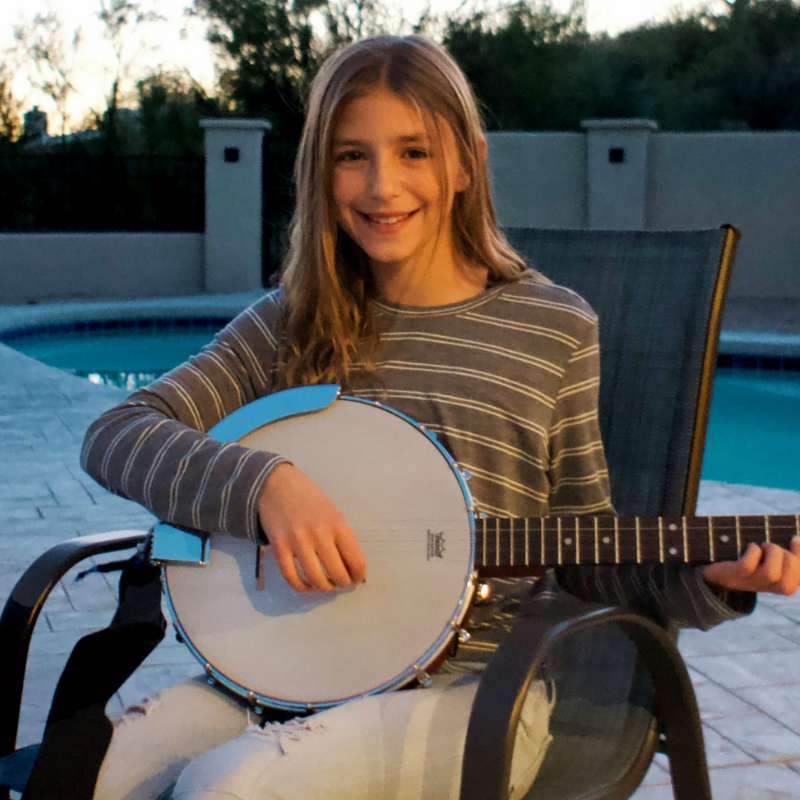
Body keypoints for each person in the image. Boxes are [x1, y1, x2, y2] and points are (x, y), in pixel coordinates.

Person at [81, 34, 800, 800]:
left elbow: (592, 558)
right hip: (283, 668)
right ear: (320, 173)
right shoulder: (294, 321)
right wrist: (267, 488)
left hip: (480, 691)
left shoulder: (552, 327)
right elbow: (117, 434)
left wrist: (714, 582)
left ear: (466, 162)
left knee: (229, 788)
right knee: (87, 776)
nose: (382, 185)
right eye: (351, 155)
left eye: (415, 152)